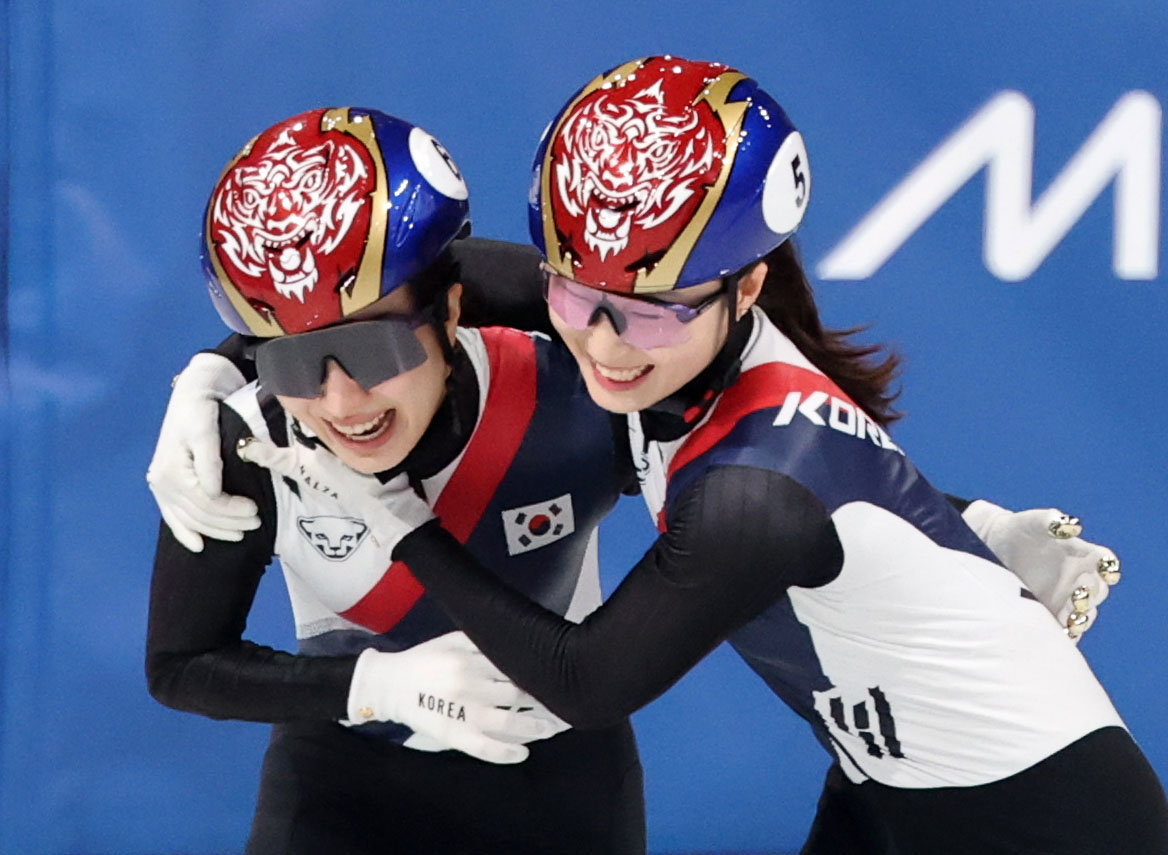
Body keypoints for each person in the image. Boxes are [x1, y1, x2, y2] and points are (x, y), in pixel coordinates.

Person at [227, 58, 1168, 854]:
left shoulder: (747, 493)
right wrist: (215, 372)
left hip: (1041, 817)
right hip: (884, 783)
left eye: (643, 309)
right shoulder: (679, 351)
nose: (601, 345)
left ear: (746, 284)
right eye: (572, 293)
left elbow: (585, 681)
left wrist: (400, 515)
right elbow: (414, 278)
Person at [145, 107, 646, 855]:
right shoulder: (249, 440)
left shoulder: (579, 391)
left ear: (452, 312)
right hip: (342, 784)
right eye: (294, 363)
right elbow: (178, 664)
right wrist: (368, 686)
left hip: (562, 781)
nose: (343, 404)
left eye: (375, 350)